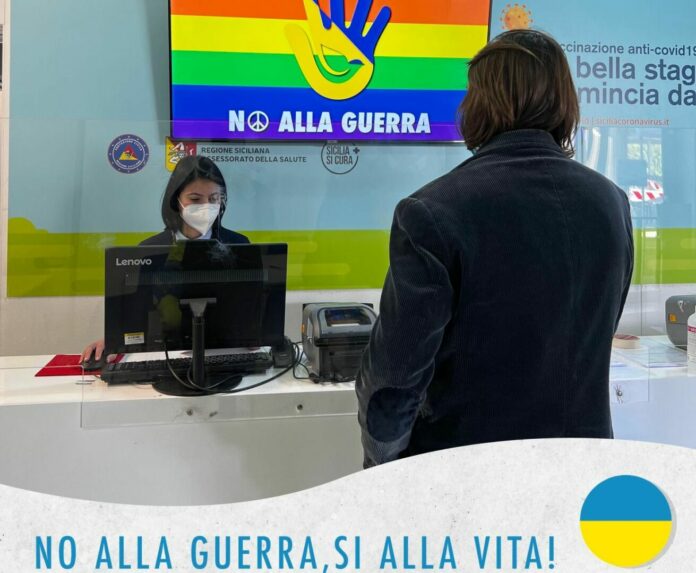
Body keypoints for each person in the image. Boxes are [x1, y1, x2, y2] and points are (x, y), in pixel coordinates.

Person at [355, 29, 634, 468]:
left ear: (480, 104)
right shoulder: (612, 203)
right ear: (565, 101)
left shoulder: (431, 211)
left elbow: (391, 388)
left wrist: (384, 467)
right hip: (583, 469)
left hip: (467, 476)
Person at [80, 155, 249, 363]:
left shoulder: (239, 246)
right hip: (165, 358)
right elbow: (134, 317)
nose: (206, 206)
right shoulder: (149, 251)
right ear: (176, 201)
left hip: (227, 356)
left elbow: (248, 311)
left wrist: (256, 334)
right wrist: (114, 340)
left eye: (214, 199)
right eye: (195, 199)